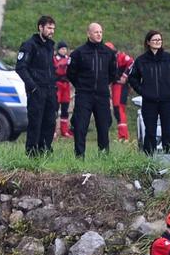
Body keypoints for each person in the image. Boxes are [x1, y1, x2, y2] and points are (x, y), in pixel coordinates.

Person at [66, 22, 117, 158]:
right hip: (84, 95)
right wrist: (82, 85)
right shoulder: (78, 53)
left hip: (102, 95)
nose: (99, 34)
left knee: (103, 126)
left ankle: (104, 156)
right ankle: (79, 156)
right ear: (88, 34)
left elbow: (113, 73)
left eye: (100, 32)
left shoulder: (109, 53)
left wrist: (103, 84)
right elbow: (71, 73)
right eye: (96, 32)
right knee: (80, 126)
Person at [132, 30, 170, 155]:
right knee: (150, 131)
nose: (157, 42)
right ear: (148, 42)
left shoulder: (169, 58)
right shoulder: (141, 60)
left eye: (159, 40)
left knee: (167, 131)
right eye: (155, 40)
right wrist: (142, 91)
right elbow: (133, 78)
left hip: (167, 100)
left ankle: (169, 158)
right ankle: (148, 159)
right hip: (149, 101)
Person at [15, 15, 58, 157]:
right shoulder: (29, 45)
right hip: (36, 91)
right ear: (40, 27)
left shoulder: (50, 46)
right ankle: (32, 154)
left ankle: (45, 151)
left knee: (50, 123)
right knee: (35, 124)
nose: (52, 31)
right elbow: (21, 67)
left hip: (50, 90)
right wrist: (33, 87)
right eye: (49, 28)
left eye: (53, 28)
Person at [109, 44, 134, 142]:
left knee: (119, 109)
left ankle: (123, 136)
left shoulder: (121, 57)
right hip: (115, 86)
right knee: (117, 109)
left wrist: (125, 75)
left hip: (120, 86)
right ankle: (122, 135)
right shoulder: (111, 59)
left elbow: (132, 62)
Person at [53, 42, 72, 139]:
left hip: (66, 85)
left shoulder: (69, 59)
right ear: (58, 50)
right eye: (62, 49)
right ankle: (53, 131)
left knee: (65, 108)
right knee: (55, 108)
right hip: (57, 84)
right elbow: (55, 68)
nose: (64, 50)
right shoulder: (54, 59)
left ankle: (64, 131)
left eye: (65, 49)